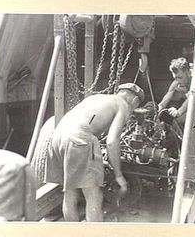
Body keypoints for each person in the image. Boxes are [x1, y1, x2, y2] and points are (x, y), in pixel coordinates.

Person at [45, 83, 145, 222]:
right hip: (79, 139)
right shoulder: (123, 105)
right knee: (94, 196)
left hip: (57, 137)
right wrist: (119, 175)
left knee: (70, 192)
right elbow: (111, 142)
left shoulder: (98, 98)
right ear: (134, 101)